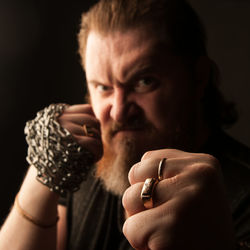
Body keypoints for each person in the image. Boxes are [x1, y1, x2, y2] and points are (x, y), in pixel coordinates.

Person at [0, 0, 250, 249]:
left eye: (144, 82)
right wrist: (43, 168)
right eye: (103, 87)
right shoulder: (81, 168)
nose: (119, 112)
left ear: (198, 78)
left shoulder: (244, 196)